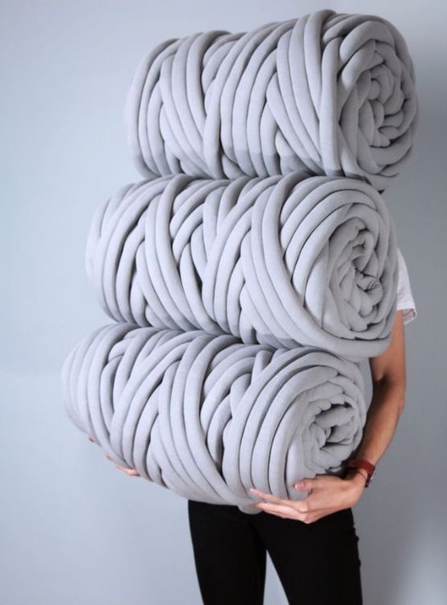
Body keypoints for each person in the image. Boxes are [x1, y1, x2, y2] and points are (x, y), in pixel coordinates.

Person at [96, 246, 417, 605]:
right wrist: (142, 441)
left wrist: (359, 478)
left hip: (307, 486)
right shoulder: (205, 235)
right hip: (212, 480)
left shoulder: (367, 245)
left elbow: (390, 380)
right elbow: (173, 348)